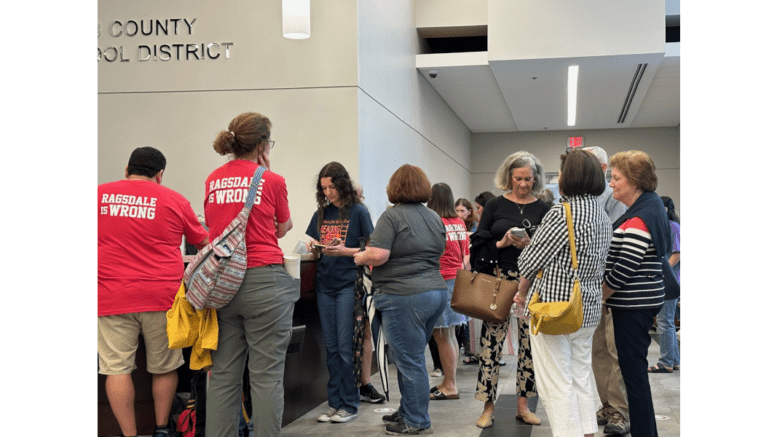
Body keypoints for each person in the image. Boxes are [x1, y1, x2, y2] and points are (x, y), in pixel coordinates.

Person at [98, 147, 209, 437]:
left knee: (116, 368)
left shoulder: (98, 196)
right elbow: (203, 243)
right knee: (164, 366)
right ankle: (161, 430)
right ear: (160, 175)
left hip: (111, 296)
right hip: (162, 297)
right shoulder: (174, 199)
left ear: (126, 169)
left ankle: (129, 434)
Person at [203, 112, 299, 437]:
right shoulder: (272, 180)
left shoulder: (213, 178)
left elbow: (214, 226)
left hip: (222, 284)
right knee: (266, 375)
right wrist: (266, 172)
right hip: (264, 281)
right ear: (261, 145)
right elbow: (283, 228)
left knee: (223, 376)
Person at [513, 149, 612, 437]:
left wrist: (527, 247)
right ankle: (587, 432)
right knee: (581, 376)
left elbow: (529, 263)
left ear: (568, 178)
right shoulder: (602, 214)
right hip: (589, 308)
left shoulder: (561, 213)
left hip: (555, 309)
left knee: (557, 382)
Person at [353, 164, 447, 435]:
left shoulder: (391, 217)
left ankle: (418, 421)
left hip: (403, 296)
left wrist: (360, 256)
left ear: (394, 188)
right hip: (434, 293)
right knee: (413, 357)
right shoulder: (433, 217)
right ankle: (408, 411)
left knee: (409, 361)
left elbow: (379, 254)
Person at [470, 151, 551, 429]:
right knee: (491, 345)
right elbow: (477, 247)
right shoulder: (494, 205)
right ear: (509, 177)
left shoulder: (543, 208)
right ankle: (487, 407)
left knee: (530, 347)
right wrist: (502, 244)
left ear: (535, 178)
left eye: (528, 179)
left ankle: (523, 406)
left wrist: (530, 246)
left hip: (532, 282)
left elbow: (550, 250)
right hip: (499, 280)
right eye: (518, 179)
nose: (523, 184)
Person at [602, 150, 672, 437]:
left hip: (633, 305)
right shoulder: (648, 207)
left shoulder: (641, 216)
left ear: (635, 181)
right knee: (634, 374)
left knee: (634, 376)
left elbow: (623, 269)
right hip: (638, 303)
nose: (612, 184)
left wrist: (601, 296)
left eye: (617, 178)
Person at [304, 162, 379, 424]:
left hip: (349, 284)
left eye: (332, 187)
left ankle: (349, 403)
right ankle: (334, 403)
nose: (328, 192)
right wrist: (315, 246)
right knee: (332, 348)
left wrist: (344, 250)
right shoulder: (321, 214)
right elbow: (316, 248)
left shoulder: (358, 212)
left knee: (347, 348)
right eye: (324, 188)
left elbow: (371, 251)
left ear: (342, 184)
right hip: (325, 285)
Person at [583, 145, 631, 435]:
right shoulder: (585, 199)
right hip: (592, 287)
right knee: (598, 349)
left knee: (615, 350)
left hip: (612, 286)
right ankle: (607, 404)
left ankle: (620, 410)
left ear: (600, 169)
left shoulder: (612, 198)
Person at [427, 183, 470, 401]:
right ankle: (448, 382)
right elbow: (466, 255)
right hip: (457, 279)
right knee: (450, 334)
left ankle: (450, 385)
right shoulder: (459, 223)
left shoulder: (436, 222)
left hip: (441, 279)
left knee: (442, 334)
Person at [349, 178, 386, 403]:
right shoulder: (328, 214)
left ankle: (365, 384)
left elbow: (372, 248)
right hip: (339, 281)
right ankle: (354, 385)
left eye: (358, 195)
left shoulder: (362, 214)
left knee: (365, 333)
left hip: (363, 281)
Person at [648, 196, 681, 373]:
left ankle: (666, 362)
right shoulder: (667, 227)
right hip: (669, 280)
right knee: (666, 320)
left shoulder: (674, 227)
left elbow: (676, 254)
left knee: (664, 321)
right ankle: (674, 360)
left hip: (670, 281)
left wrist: (662, 272)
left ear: (667, 209)